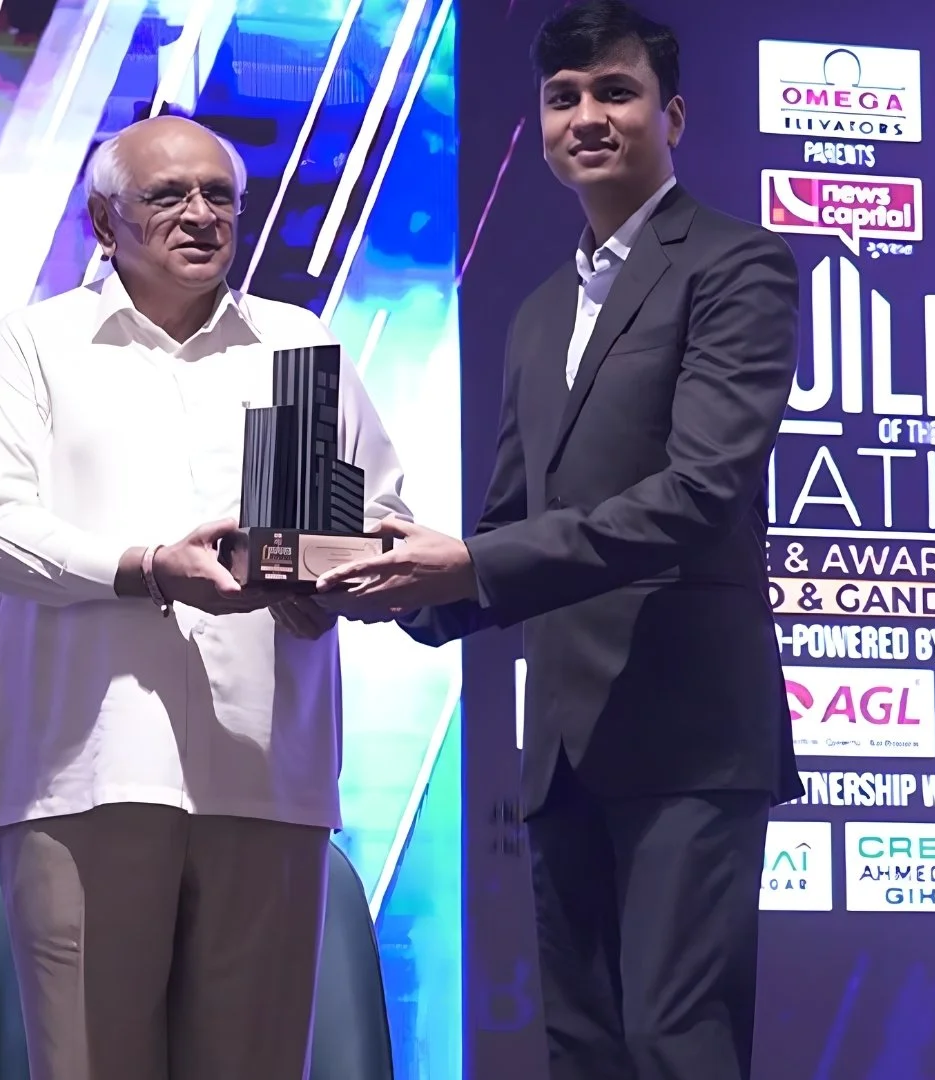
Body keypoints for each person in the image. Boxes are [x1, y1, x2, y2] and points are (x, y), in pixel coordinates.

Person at [318, 4, 803, 1078]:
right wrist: (397, 583)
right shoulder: (540, 310)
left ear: (670, 115)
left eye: (615, 93)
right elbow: (505, 524)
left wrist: (476, 565)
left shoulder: (738, 264)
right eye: (563, 98)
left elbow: (701, 492)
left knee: (677, 1040)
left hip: (690, 732)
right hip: (565, 743)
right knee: (580, 1049)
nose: (588, 116)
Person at [0, 114, 408, 1080]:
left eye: (219, 198)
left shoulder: (296, 348)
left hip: (269, 769)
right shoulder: (36, 345)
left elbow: (380, 521)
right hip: (88, 768)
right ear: (102, 219)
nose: (201, 216)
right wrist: (148, 565)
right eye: (169, 196)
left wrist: (336, 577)